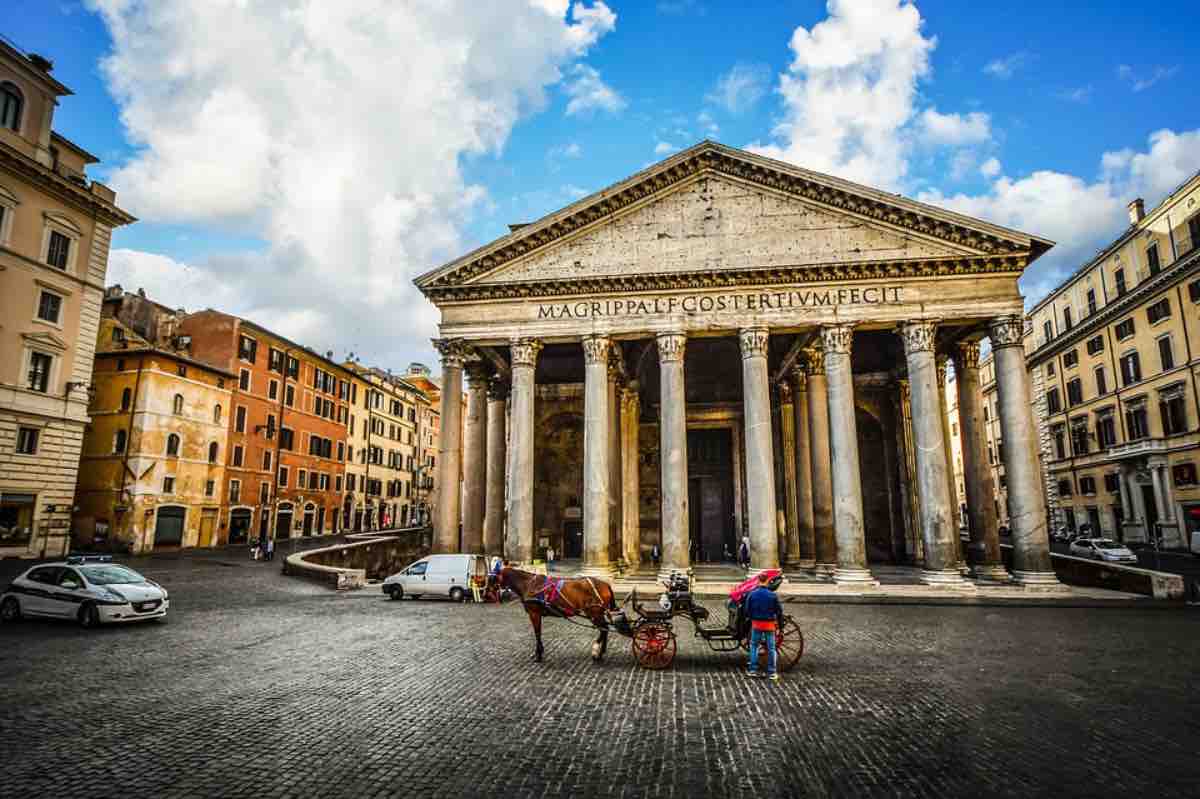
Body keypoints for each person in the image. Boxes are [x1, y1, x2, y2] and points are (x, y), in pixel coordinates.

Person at [745, 571, 782, 681]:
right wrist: (779, 625)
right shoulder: (772, 595)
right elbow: (778, 611)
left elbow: (747, 610)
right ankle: (772, 672)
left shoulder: (752, 594)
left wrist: (753, 618)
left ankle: (753, 670)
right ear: (767, 581)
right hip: (769, 625)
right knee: (771, 648)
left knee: (754, 646)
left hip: (756, 624)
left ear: (758, 581)